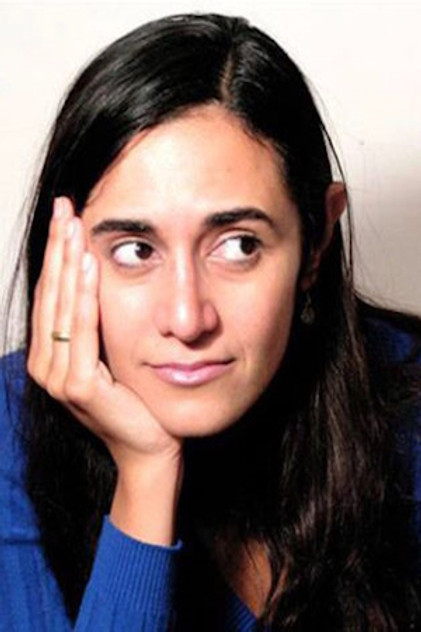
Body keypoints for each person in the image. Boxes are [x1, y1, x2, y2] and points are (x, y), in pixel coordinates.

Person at [1, 11, 421, 631]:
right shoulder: (9, 432)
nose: (187, 318)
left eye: (239, 245)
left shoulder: (407, 411)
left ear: (316, 243)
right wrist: (145, 476)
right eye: (135, 250)